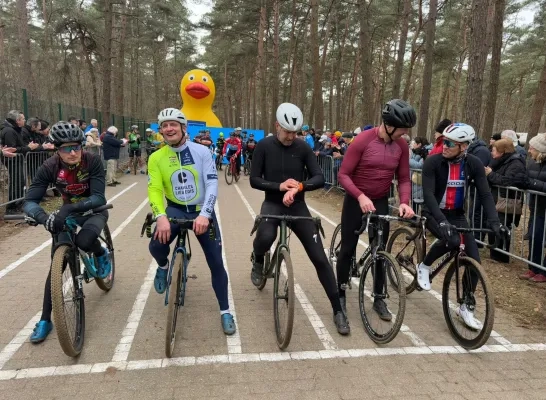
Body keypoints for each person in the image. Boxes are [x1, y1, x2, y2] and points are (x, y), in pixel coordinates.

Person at [250, 102, 349, 335]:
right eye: (286, 131)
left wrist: (299, 187)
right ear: (277, 126)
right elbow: (255, 179)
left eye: (295, 132)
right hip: (273, 203)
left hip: (298, 205)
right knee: (265, 236)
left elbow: (319, 178)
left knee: (319, 257)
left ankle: (337, 310)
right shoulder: (264, 146)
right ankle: (257, 259)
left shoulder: (303, 147)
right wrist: (279, 186)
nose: (291, 136)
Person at [147, 108, 236, 335]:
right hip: (174, 210)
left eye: (173, 124)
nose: (169, 129)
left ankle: (225, 311)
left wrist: (205, 214)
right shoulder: (156, 158)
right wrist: (161, 217)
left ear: (183, 128)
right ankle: (163, 266)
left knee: (216, 262)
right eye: (164, 126)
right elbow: (155, 189)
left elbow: (212, 184)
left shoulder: (202, 152)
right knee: (156, 245)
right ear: (161, 131)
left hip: (201, 212)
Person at [22, 121, 111, 343]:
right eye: (65, 148)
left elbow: (99, 197)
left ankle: (101, 253)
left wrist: (69, 208)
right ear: (56, 149)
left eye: (76, 147)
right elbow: (30, 201)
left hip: (93, 210)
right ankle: (45, 320)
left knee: (85, 240)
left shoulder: (92, 161)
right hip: (66, 215)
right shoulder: (49, 167)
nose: (72, 153)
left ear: (82, 145)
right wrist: (44, 218)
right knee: (56, 266)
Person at [417, 123, 505, 330]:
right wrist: (441, 222)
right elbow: (428, 195)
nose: (444, 146)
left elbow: (484, 194)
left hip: (456, 214)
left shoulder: (473, 163)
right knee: (452, 239)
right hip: (434, 213)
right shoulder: (433, 162)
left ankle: (466, 306)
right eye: (442, 141)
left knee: (474, 260)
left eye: (449, 143)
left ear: (464, 147)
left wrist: (495, 222)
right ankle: (425, 265)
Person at [336, 99, 416, 321]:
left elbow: (403, 178)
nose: (405, 133)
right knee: (347, 248)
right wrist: (360, 196)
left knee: (380, 251)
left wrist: (405, 201)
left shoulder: (401, 146)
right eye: (402, 129)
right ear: (389, 125)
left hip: (379, 200)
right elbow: (342, 175)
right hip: (356, 200)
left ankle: (379, 297)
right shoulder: (362, 140)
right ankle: (340, 294)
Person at [485, 139, 527, 263]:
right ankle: (495, 254)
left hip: (507, 201)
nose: (492, 152)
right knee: (493, 225)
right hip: (498, 199)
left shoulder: (516, 163)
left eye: (494, 150)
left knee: (502, 227)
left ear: (502, 151)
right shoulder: (500, 161)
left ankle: (501, 256)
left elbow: (508, 181)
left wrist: (490, 174)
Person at [1, 110, 39, 213]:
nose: (24, 120)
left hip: (17, 160)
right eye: (23, 119)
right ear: (17, 120)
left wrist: (27, 147)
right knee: (16, 183)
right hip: (13, 161)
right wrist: (28, 148)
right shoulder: (9, 131)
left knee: (20, 182)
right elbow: (12, 149)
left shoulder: (15, 130)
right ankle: (11, 207)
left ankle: (18, 203)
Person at [523, 134, 546, 283]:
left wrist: (532, 183)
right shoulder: (532, 163)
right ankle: (533, 267)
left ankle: (543, 271)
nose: (529, 151)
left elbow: (533, 182)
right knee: (534, 237)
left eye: (532, 148)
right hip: (537, 207)